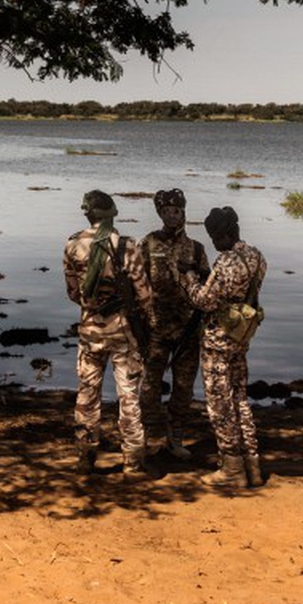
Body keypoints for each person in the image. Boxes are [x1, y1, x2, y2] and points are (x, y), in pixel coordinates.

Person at [181, 205, 268, 488]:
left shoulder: (226, 262)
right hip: (241, 337)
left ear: (226, 234)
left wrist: (190, 279)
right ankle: (252, 464)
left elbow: (204, 301)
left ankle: (232, 468)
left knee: (220, 403)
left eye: (216, 238)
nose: (214, 244)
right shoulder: (257, 256)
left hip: (218, 339)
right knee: (240, 398)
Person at [62, 189, 148, 473]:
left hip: (90, 333)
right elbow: (145, 295)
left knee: (87, 395)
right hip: (124, 333)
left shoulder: (73, 244)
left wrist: (92, 308)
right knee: (129, 398)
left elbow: (73, 293)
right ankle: (133, 462)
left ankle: (85, 457)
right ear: (112, 214)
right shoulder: (127, 246)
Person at [130, 187, 210, 459]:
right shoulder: (148, 243)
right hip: (156, 328)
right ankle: (149, 435)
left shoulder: (196, 248)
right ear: (160, 214)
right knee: (149, 385)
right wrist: (140, 321)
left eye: (176, 211)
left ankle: (176, 437)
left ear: (183, 213)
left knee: (184, 386)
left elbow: (208, 284)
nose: (172, 216)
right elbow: (136, 281)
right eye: (166, 211)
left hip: (188, 329)